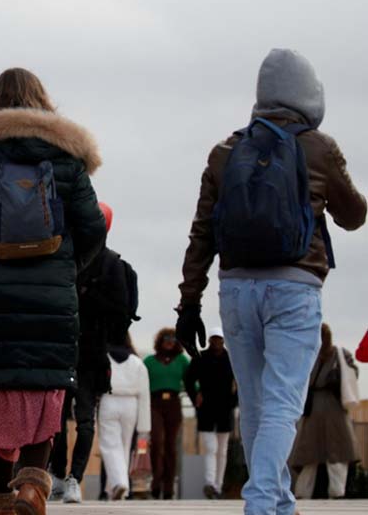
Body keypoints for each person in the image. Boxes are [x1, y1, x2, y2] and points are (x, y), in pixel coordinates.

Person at [176, 49, 366, 515]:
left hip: (236, 290)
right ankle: (261, 503)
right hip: (294, 288)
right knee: (283, 400)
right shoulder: (320, 147)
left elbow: (202, 233)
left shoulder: (225, 151)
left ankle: (279, 501)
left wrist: (189, 305)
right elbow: (354, 215)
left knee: (258, 403)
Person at [0, 68, 107, 515]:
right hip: (50, 294)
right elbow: (92, 228)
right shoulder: (66, 158)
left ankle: (2, 490)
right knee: (45, 387)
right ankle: (34, 483)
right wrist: (65, 265)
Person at [49, 201, 137, 504]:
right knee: (60, 420)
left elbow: (119, 313)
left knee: (79, 420)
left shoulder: (106, 264)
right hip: (77, 352)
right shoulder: (77, 261)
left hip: (81, 353)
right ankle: (61, 476)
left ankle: (71, 477)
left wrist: (85, 299)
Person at [289, 323, 360, 499]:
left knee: (337, 454)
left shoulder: (340, 355)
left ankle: (337, 492)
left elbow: (353, 374)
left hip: (335, 408)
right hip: (313, 409)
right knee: (308, 455)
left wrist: (336, 378)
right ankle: (302, 493)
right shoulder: (309, 356)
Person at [184, 326, 237, 499]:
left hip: (225, 409)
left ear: (224, 340)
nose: (217, 342)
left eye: (219, 339)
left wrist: (234, 401)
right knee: (211, 448)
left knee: (222, 450)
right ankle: (209, 483)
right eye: (214, 339)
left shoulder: (232, 358)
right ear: (209, 340)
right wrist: (194, 398)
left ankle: (218, 486)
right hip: (206, 408)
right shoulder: (201, 358)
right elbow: (188, 379)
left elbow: (242, 381)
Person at [98, 333, 150, 501]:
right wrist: (144, 428)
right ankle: (116, 489)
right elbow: (144, 395)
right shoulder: (138, 362)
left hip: (109, 401)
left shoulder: (103, 358)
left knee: (110, 445)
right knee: (125, 447)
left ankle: (119, 483)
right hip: (131, 405)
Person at [142, 328, 189, 500]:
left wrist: (197, 393)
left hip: (174, 404)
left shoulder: (182, 360)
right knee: (156, 441)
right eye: (167, 338)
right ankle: (155, 482)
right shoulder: (149, 361)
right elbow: (141, 382)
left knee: (170, 445)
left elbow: (190, 380)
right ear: (160, 340)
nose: (170, 341)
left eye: (174, 338)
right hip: (154, 404)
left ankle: (168, 488)